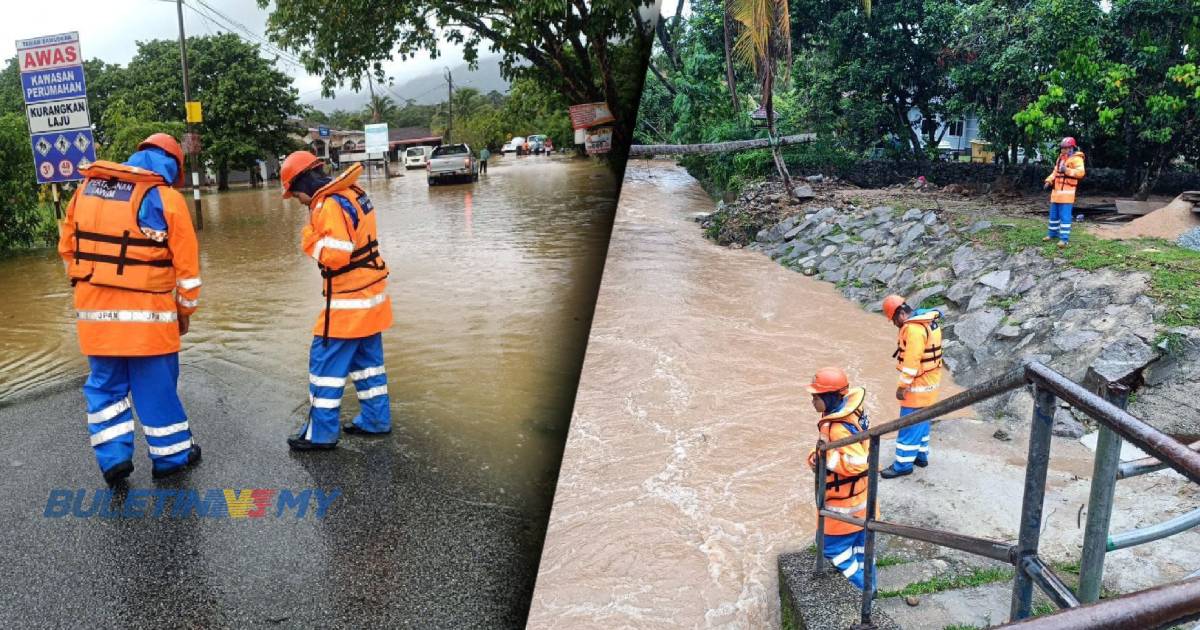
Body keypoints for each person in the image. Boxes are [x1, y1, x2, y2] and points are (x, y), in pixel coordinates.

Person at [57, 133, 203, 485]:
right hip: (150, 321)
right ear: (173, 167)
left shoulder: (85, 191)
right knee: (156, 389)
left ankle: (114, 459)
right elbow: (188, 272)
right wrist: (184, 313)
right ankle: (171, 458)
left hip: (95, 319)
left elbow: (67, 250)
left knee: (105, 388)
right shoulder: (167, 199)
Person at [279, 151, 393, 450]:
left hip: (347, 304)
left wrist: (308, 238)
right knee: (368, 365)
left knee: (324, 367)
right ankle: (376, 421)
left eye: (295, 195)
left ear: (303, 183)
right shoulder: (354, 192)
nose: (299, 201)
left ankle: (321, 435)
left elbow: (336, 256)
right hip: (373, 297)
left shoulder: (328, 205)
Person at [806, 367, 876, 590]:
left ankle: (860, 588)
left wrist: (823, 458)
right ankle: (870, 586)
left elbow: (856, 463)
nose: (812, 401)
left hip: (843, 509)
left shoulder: (837, 429)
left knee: (830, 548)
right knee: (862, 549)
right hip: (864, 501)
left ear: (828, 397)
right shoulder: (852, 412)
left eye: (815, 397)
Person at [880, 295, 944, 478]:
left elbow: (912, 362)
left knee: (908, 426)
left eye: (893, 320)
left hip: (917, 387)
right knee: (923, 422)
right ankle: (921, 456)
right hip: (932, 383)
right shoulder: (929, 322)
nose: (894, 325)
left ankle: (902, 465)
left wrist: (902, 387)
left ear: (900, 315)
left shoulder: (913, 329)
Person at [1043, 137, 1086, 248]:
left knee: (1065, 217)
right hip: (1056, 193)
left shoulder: (1077, 159)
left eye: (1066, 148)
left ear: (1072, 148)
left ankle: (1064, 239)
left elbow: (1080, 173)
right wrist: (1048, 180)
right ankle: (1052, 234)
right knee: (1053, 216)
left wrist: (1066, 170)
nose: (1063, 150)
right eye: (1062, 148)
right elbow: (1055, 172)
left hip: (1067, 194)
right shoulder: (1060, 158)